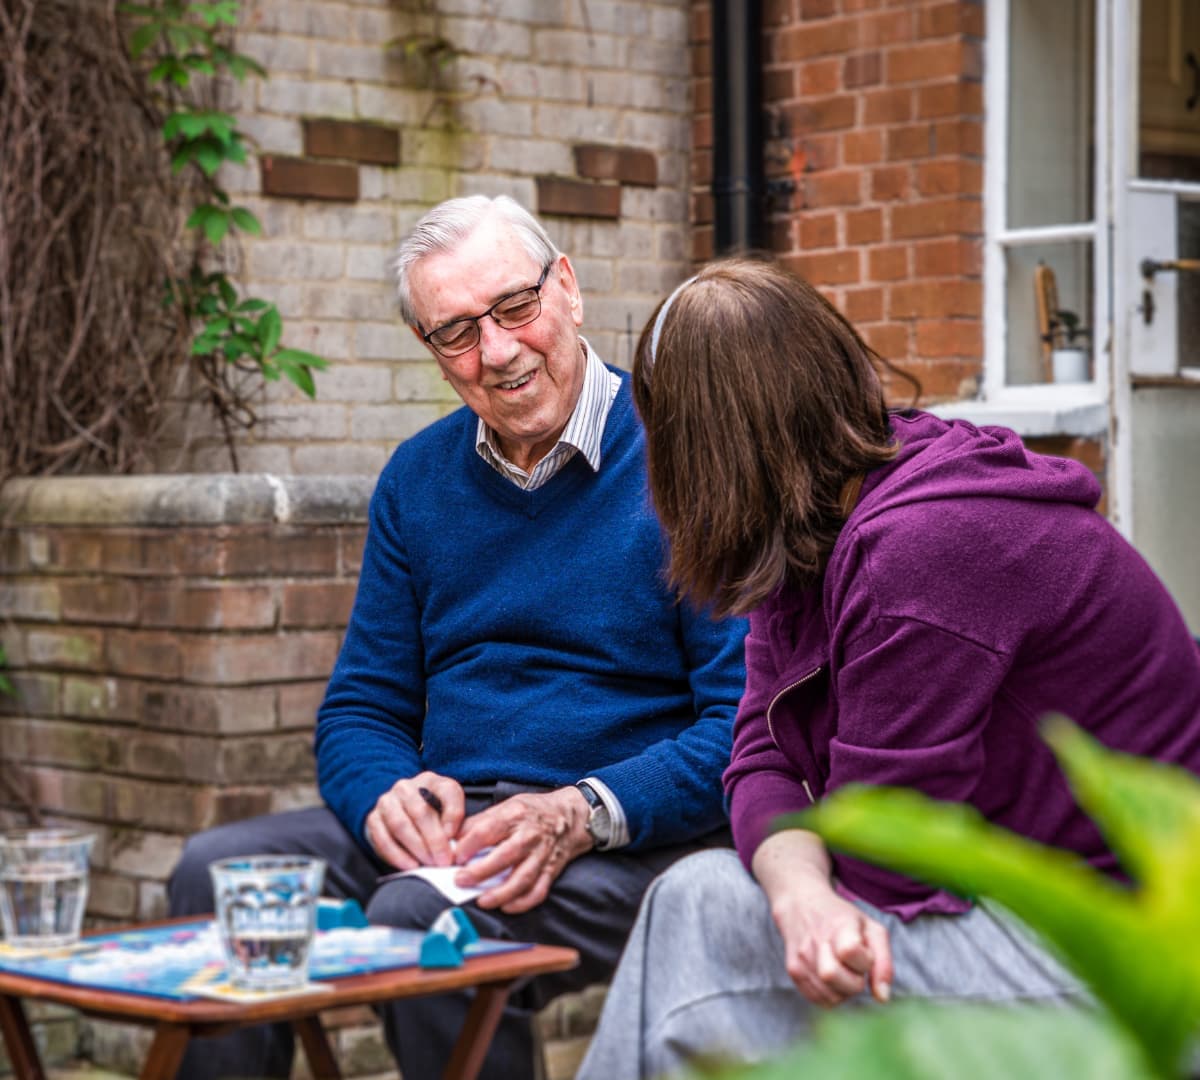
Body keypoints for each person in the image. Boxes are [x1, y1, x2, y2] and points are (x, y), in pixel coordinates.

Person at [576, 256, 1200, 1079]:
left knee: (703, 910)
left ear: (703, 451)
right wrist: (799, 889)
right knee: (708, 905)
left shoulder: (922, 551)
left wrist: (800, 879)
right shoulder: (819, 516)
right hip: (1014, 917)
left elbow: (889, 863)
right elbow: (759, 754)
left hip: (1133, 961)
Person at [166, 196, 747, 1080]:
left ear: (569, 288)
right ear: (433, 354)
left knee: (422, 925)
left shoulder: (687, 456)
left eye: (516, 308)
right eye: (458, 332)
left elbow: (742, 722)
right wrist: (380, 796)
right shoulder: (418, 478)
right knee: (219, 876)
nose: (500, 351)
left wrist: (581, 812)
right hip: (453, 831)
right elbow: (363, 705)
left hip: (627, 835)